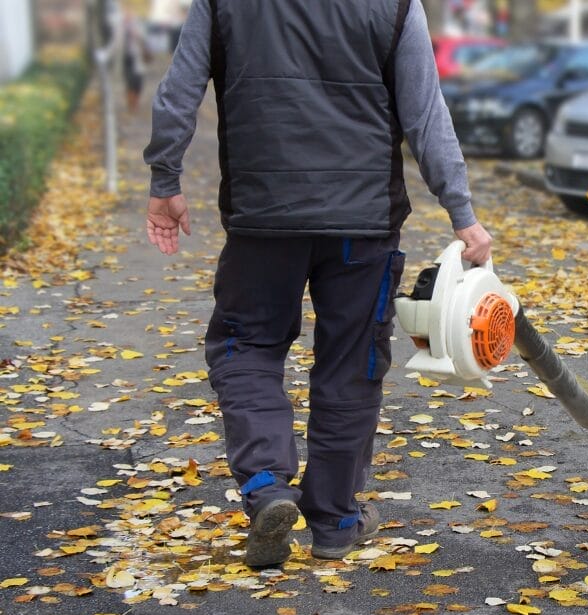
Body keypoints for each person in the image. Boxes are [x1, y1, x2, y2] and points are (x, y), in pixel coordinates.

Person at [143, 0, 492, 568]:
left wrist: (166, 179)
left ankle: (267, 487)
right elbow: (425, 113)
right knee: (352, 362)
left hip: (263, 219)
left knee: (247, 346)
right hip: (363, 225)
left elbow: (178, 91)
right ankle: (334, 521)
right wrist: (462, 213)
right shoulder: (397, 5)